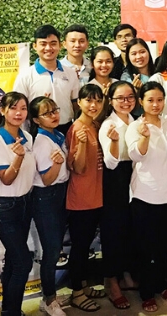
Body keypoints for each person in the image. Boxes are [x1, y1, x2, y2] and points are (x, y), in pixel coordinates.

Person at [125, 82, 167, 313]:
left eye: (159, 100)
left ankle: (161, 285)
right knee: (146, 248)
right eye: (150, 100)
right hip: (144, 195)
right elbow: (136, 154)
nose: (155, 104)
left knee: (163, 245)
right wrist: (144, 136)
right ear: (141, 102)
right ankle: (146, 293)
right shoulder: (135, 126)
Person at [0, 92, 35, 316]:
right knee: (23, 263)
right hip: (4, 208)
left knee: (14, 262)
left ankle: (8, 310)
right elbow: (6, 179)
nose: (18, 113)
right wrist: (19, 157)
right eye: (13, 108)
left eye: (23, 108)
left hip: (24, 204)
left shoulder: (27, 137)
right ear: (2, 111)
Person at [98, 81, 139, 309]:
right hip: (115, 179)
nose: (126, 102)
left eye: (130, 97)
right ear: (111, 101)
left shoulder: (137, 121)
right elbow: (110, 163)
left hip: (135, 177)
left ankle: (126, 275)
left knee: (130, 229)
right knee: (113, 231)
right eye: (120, 98)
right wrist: (114, 142)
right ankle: (111, 282)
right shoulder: (109, 125)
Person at [66, 84, 106, 312]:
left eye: (98, 101)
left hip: (96, 196)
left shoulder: (96, 125)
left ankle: (83, 285)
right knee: (80, 248)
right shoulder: (77, 129)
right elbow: (79, 168)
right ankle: (77, 293)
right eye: (89, 100)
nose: (94, 105)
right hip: (81, 199)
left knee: (86, 246)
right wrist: (81, 144)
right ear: (79, 102)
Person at [29, 96, 70, 316]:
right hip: (46, 197)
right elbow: (46, 179)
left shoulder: (57, 135)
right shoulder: (41, 142)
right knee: (51, 250)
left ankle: (50, 296)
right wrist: (56, 164)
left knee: (56, 248)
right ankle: (49, 299)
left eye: (55, 110)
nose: (54, 115)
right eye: (47, 113)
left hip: (60, 193)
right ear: (36, 120)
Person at [13, 25, 79, 135]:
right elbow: (18, 108)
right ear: (35, 46)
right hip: (37, 130)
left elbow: (76, 105)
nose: (48, 48)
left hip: (66, 129)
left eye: (53, 43)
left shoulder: (71, 73)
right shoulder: (25, 76)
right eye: (43, 44)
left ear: (60, 45)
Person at [121, 38, 156, 117]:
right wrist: (136, 92)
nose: (139, 56)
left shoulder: (158, 73)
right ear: (128, 57)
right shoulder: (126, 78)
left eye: (142, 52)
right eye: (134, 54)